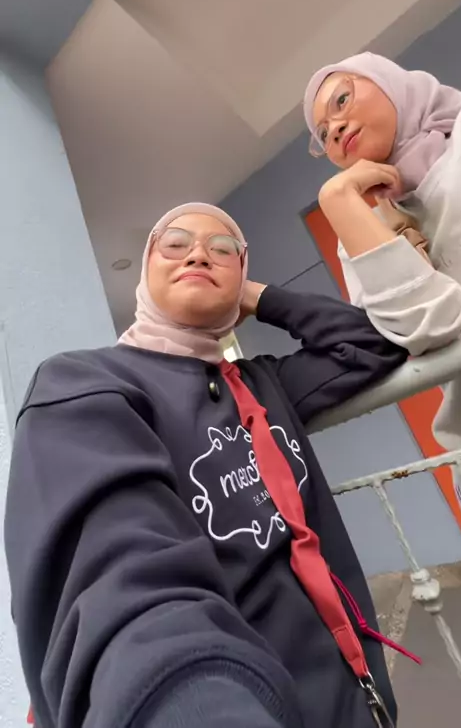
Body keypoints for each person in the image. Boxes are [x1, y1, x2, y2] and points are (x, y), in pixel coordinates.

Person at [4, 202, 410, 728]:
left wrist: (257, 296)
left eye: (223, 249)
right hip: (238, 700)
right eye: (175, 244)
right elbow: (121, 591)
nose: (198, 254)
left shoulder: (263, 385)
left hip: (354, 701)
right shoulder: (86, 385)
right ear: (145, 269)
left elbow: (372, 346)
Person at [303, 52, 461, 547]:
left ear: (390, 83)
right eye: (323, 135)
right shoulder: (360, 226)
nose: (335, 129)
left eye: (341, 100)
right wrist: (340, 202)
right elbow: (423, 334)